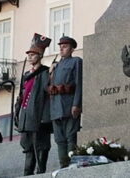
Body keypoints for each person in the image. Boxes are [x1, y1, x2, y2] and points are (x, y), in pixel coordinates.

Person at [16, 34, 53, 175]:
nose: (30, 57)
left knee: (41, 147)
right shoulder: (26, 74)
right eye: (29, 54)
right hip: (26, 116)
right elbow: (22, 95)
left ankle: (40, 172)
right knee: (28, 148)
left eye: (33, 54)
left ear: (40, 55)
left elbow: (46, 94)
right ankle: (27, 173)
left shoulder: (44, 73)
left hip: (38, 117)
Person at [48, 36, 83, 168]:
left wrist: (77, 104)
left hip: (69, 104)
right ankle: (63, 165)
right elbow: (49, 87)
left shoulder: (76, 61)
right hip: (56, 107)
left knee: (71, 136)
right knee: (59, 140)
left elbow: (79, 83)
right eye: (60, 47)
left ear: (72, 48)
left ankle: (72, 165)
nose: (62, 49)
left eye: (65, 46)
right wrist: (50, 71)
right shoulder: (56, 66)